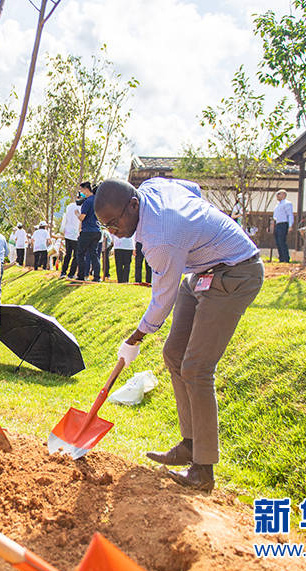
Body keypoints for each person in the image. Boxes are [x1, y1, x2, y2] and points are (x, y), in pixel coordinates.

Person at [96, 177, 263, 492]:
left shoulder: (161, 239)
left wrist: (134, 339)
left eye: (115, 223)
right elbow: (194, 190)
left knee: (197, 368)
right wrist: (198, 228)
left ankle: (203, 469)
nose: (113, 232)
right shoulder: (152, 187)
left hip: (236, 270)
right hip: (202, 271)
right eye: (107, 227)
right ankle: (190, 444)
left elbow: (162, 300)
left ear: (134, 205)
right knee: (174, 354)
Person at [75, 181, 101, 282]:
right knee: (94, 254)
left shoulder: (87, 201)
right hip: (96, 230)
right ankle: (96, 277)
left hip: (87, 231)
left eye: (81, 190)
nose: (81, 192)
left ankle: (81, 276)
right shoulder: (97, 200)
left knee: (81, 253)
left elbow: (82, 217)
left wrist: (77, 214)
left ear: (86, 189)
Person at [60, 198, 81, 278]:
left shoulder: (69, 206)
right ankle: (71, 274)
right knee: (76, 255)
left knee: (68, 254)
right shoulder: (82, 207)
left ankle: (63, 272)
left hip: (67, 233)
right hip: (76, 234)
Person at [272, 189, 293, 263]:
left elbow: (290, 215)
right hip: (277, 224)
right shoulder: (277, 205)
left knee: (282, 241)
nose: (277, 196)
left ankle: (286, 258)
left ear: (284, 195)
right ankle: (281, 258)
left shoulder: (287, 203)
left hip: (283, 224)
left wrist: (290, 225)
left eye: (279, 194)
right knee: (278, 242)